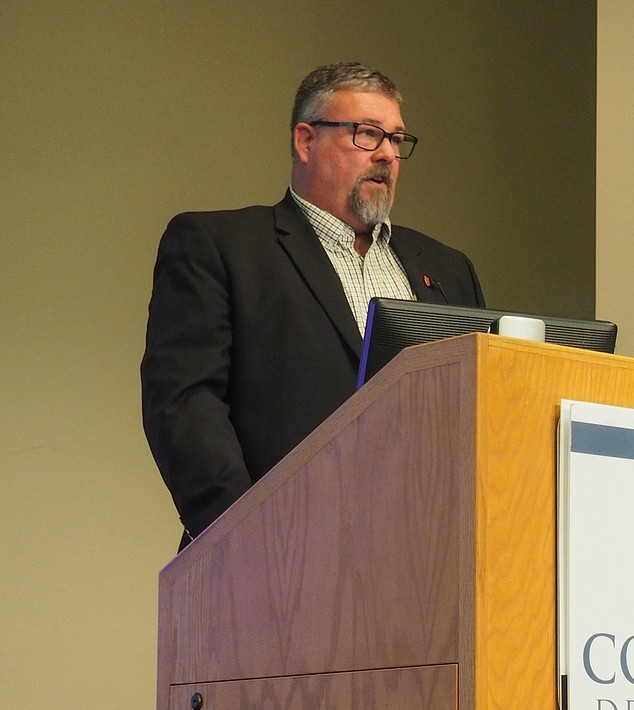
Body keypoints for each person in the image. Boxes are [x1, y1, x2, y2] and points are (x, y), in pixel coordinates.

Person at [141, 62, 485, 546]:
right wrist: (250, 538)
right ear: (306, 141)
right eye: (368, 134)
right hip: (274, 559)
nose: (387, 154)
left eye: (397, 140)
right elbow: (185, 406)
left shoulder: (449, 270)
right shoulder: (222, 247)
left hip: (425, 560)